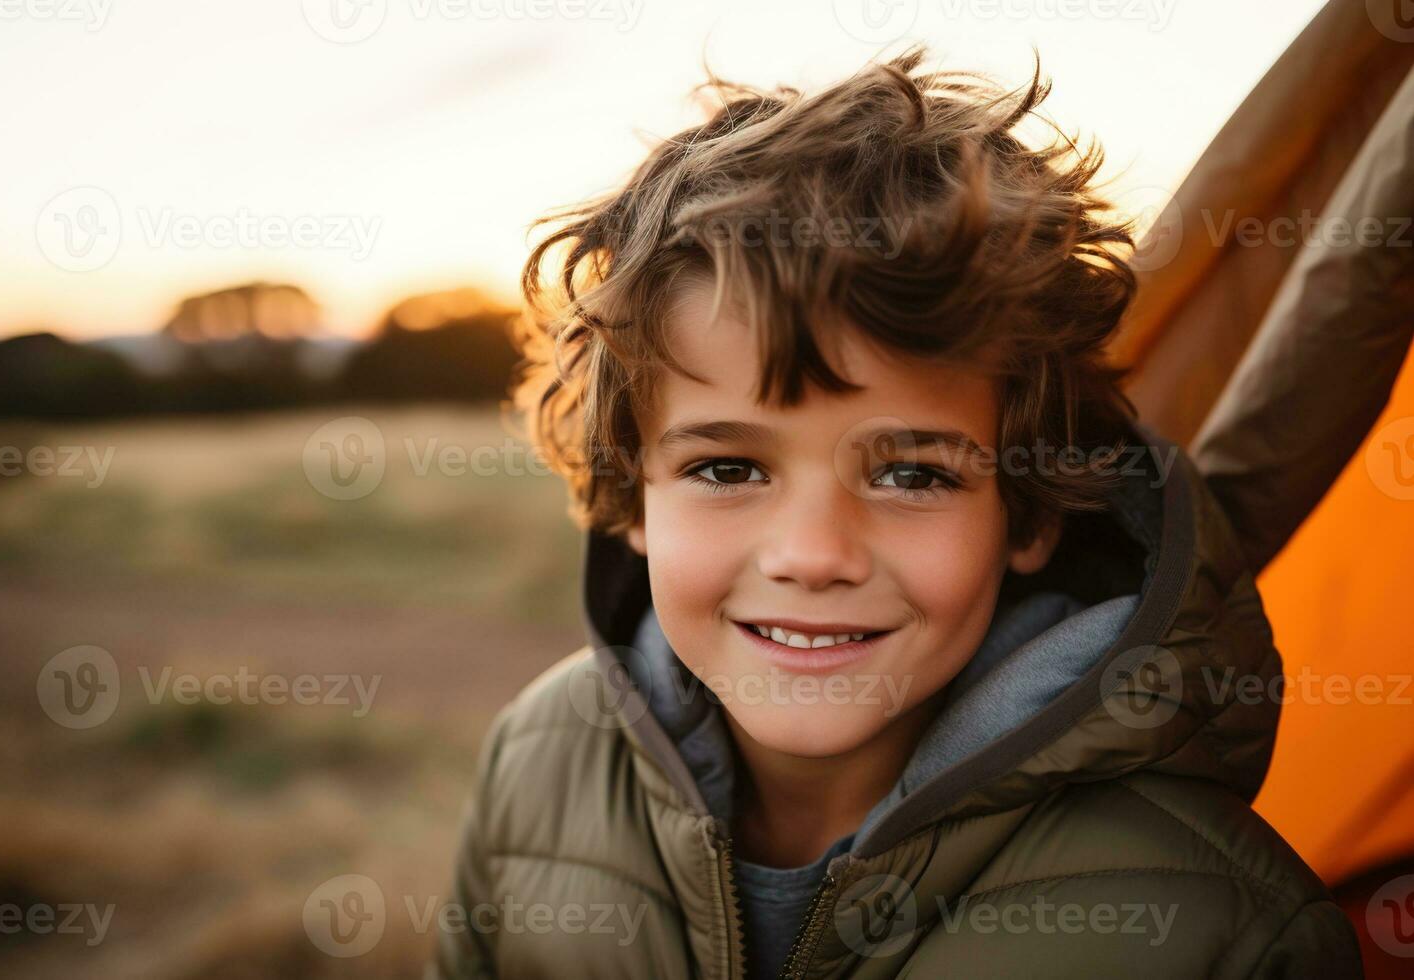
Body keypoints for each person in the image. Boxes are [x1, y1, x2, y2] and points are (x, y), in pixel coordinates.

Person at [433, 45, 1365, 978]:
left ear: (1031, 514)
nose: (811, 554)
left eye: (913, 477)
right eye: (726, 469)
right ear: (631, 490)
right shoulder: (537, 758)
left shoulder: (1226, 928)